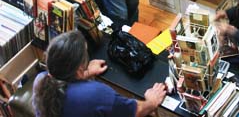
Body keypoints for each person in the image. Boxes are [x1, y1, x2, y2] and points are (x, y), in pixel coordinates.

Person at [32, 30, 166, 117]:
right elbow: (136, 111)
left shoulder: (42, 79)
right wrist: (151, 101)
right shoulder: (95, 93)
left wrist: (87, 72)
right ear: (78, 69)